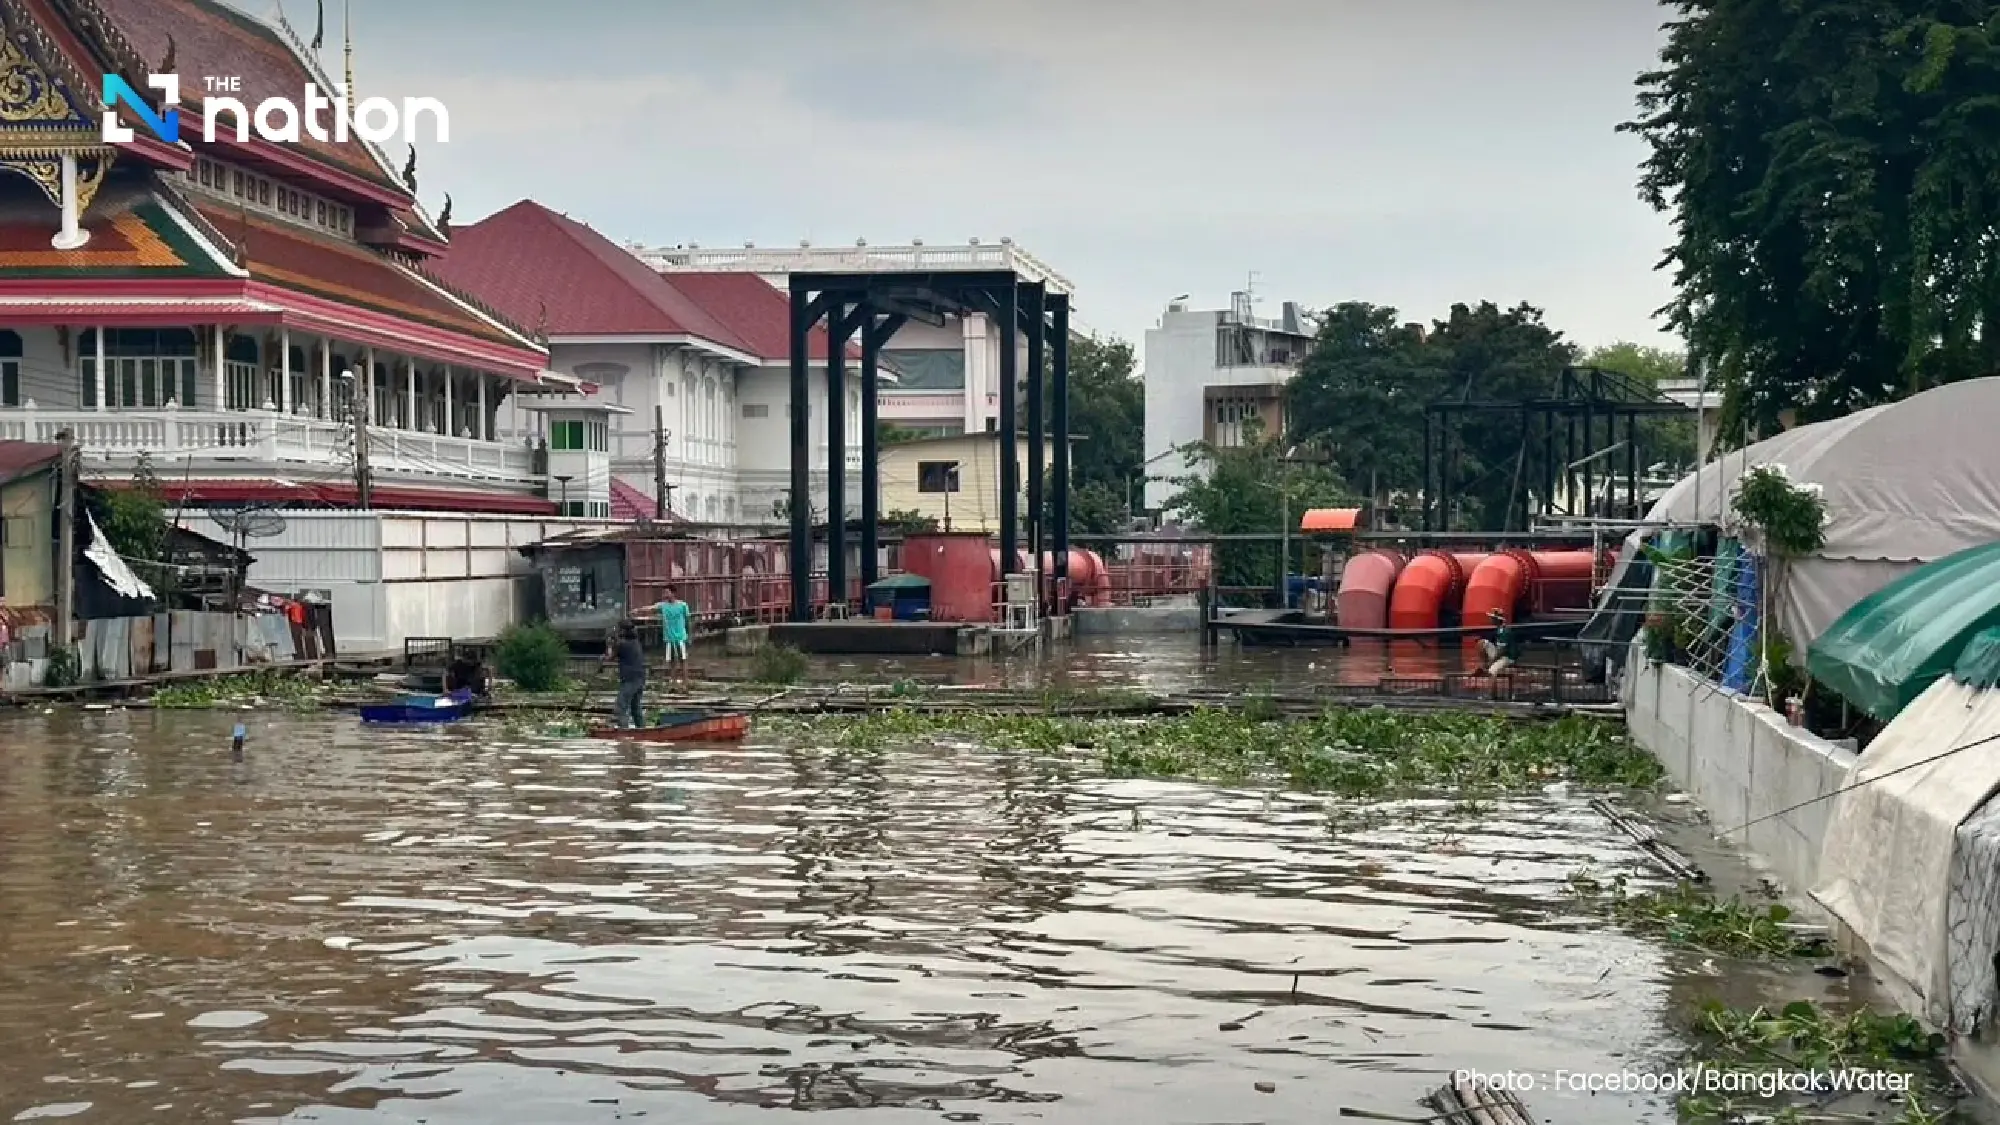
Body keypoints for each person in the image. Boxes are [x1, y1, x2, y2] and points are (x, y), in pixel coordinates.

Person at [643, 587, 692, 688]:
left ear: (673, 593)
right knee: (672, 661)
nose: (665, 594)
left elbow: (688, 621)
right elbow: (651, 608)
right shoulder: (663, 605)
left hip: (680, 637)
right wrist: (638, 610)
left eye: (667, 592)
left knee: (683, 660)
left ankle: (685, 682)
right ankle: (673, 681)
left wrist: (689, 635)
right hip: (669, 638)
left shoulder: (682, 605)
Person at [602, 622, 647, 728]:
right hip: (640, 678)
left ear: (623, 631)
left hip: (629, 679)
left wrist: (609, 645)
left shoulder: (622, 645)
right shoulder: (636, 643)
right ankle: (641, 729)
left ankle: (623, 731)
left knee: (621, 706)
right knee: (635, 707)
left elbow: (609, 657)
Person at [1477, 609, 1519, 675]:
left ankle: (1490, 676)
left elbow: (1502, 650)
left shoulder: (1504, 631)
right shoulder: (1499, 629)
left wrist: (1492, 662)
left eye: (1492, 618)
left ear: (1496, 620)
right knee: (1481, 643)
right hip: (1501, 654)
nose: (1490, 619)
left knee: (1492, 671)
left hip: (1507, 657)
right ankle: (1484, 665)